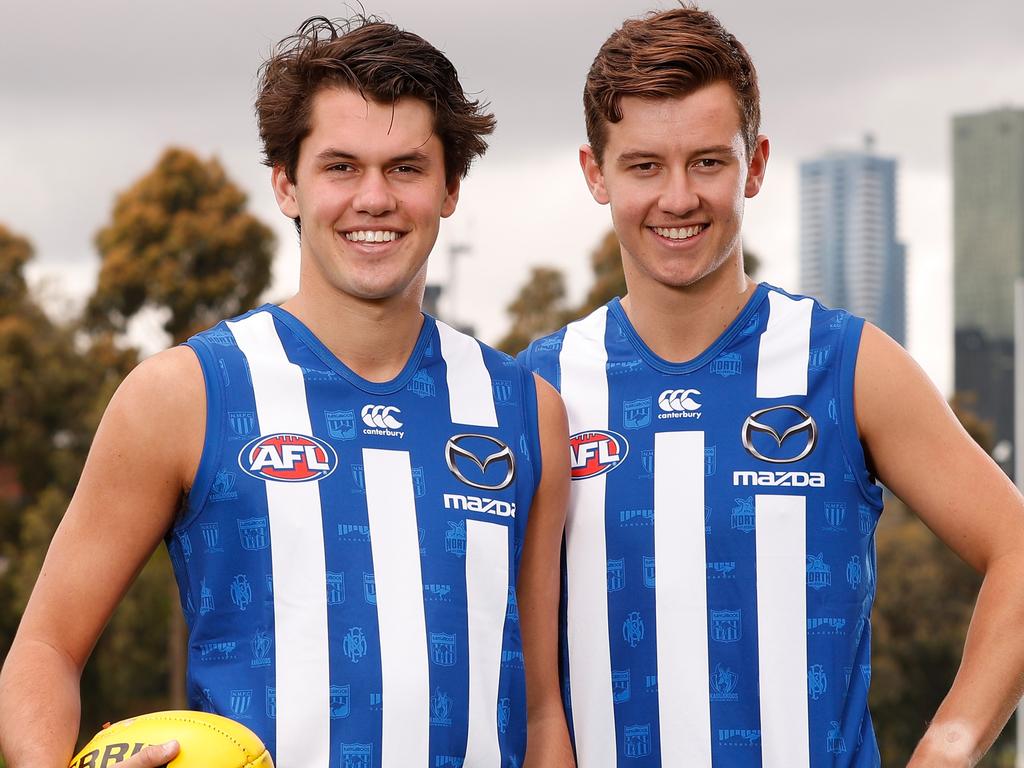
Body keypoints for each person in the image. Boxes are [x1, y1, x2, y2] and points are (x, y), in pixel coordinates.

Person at [0, 16, 574, 768]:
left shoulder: (525, 409)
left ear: (450, 188)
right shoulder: (184, 395)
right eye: (341, 167)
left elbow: (536, 714)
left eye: (405, 168)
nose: (374, 198)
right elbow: (42, 650)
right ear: (286, 185)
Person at [519, 7, 1024, 767]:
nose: (680, 197)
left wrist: (948, 749)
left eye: (708, 162)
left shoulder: (847, 364)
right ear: (598, 174)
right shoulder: (539, 386)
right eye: (645, 165)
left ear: (753, 164)